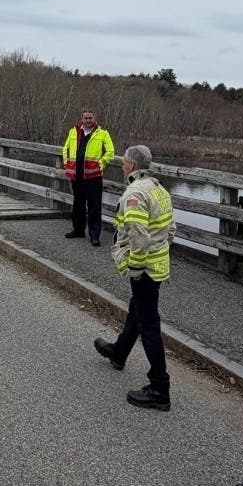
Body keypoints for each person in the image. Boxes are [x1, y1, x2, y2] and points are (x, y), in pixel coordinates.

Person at [93, 145, 175, 411]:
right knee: (137, 309)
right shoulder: (159, 189)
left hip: (145, 266)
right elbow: (171, 228)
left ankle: (159, 387)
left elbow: (138, 236)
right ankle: (119, 352)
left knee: (149, 324)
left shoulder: (135, 193)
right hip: (158, 263)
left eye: (124, 161)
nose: (122, 164)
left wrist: (136, 269)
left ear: (131, 165)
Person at [61, 110, 114, 246]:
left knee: (94, 206)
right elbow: (65, 148)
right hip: (76, 174)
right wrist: (67, 164)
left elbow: (110, 152)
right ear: (82, 119)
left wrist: (101, 164)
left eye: (90, 118)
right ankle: (78, 230)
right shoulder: (74, 131)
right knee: (78, 204)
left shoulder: (102, 133)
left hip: (93, 175)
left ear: (94, 119)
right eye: (86, 118)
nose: (88, 120)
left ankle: (94, 235)